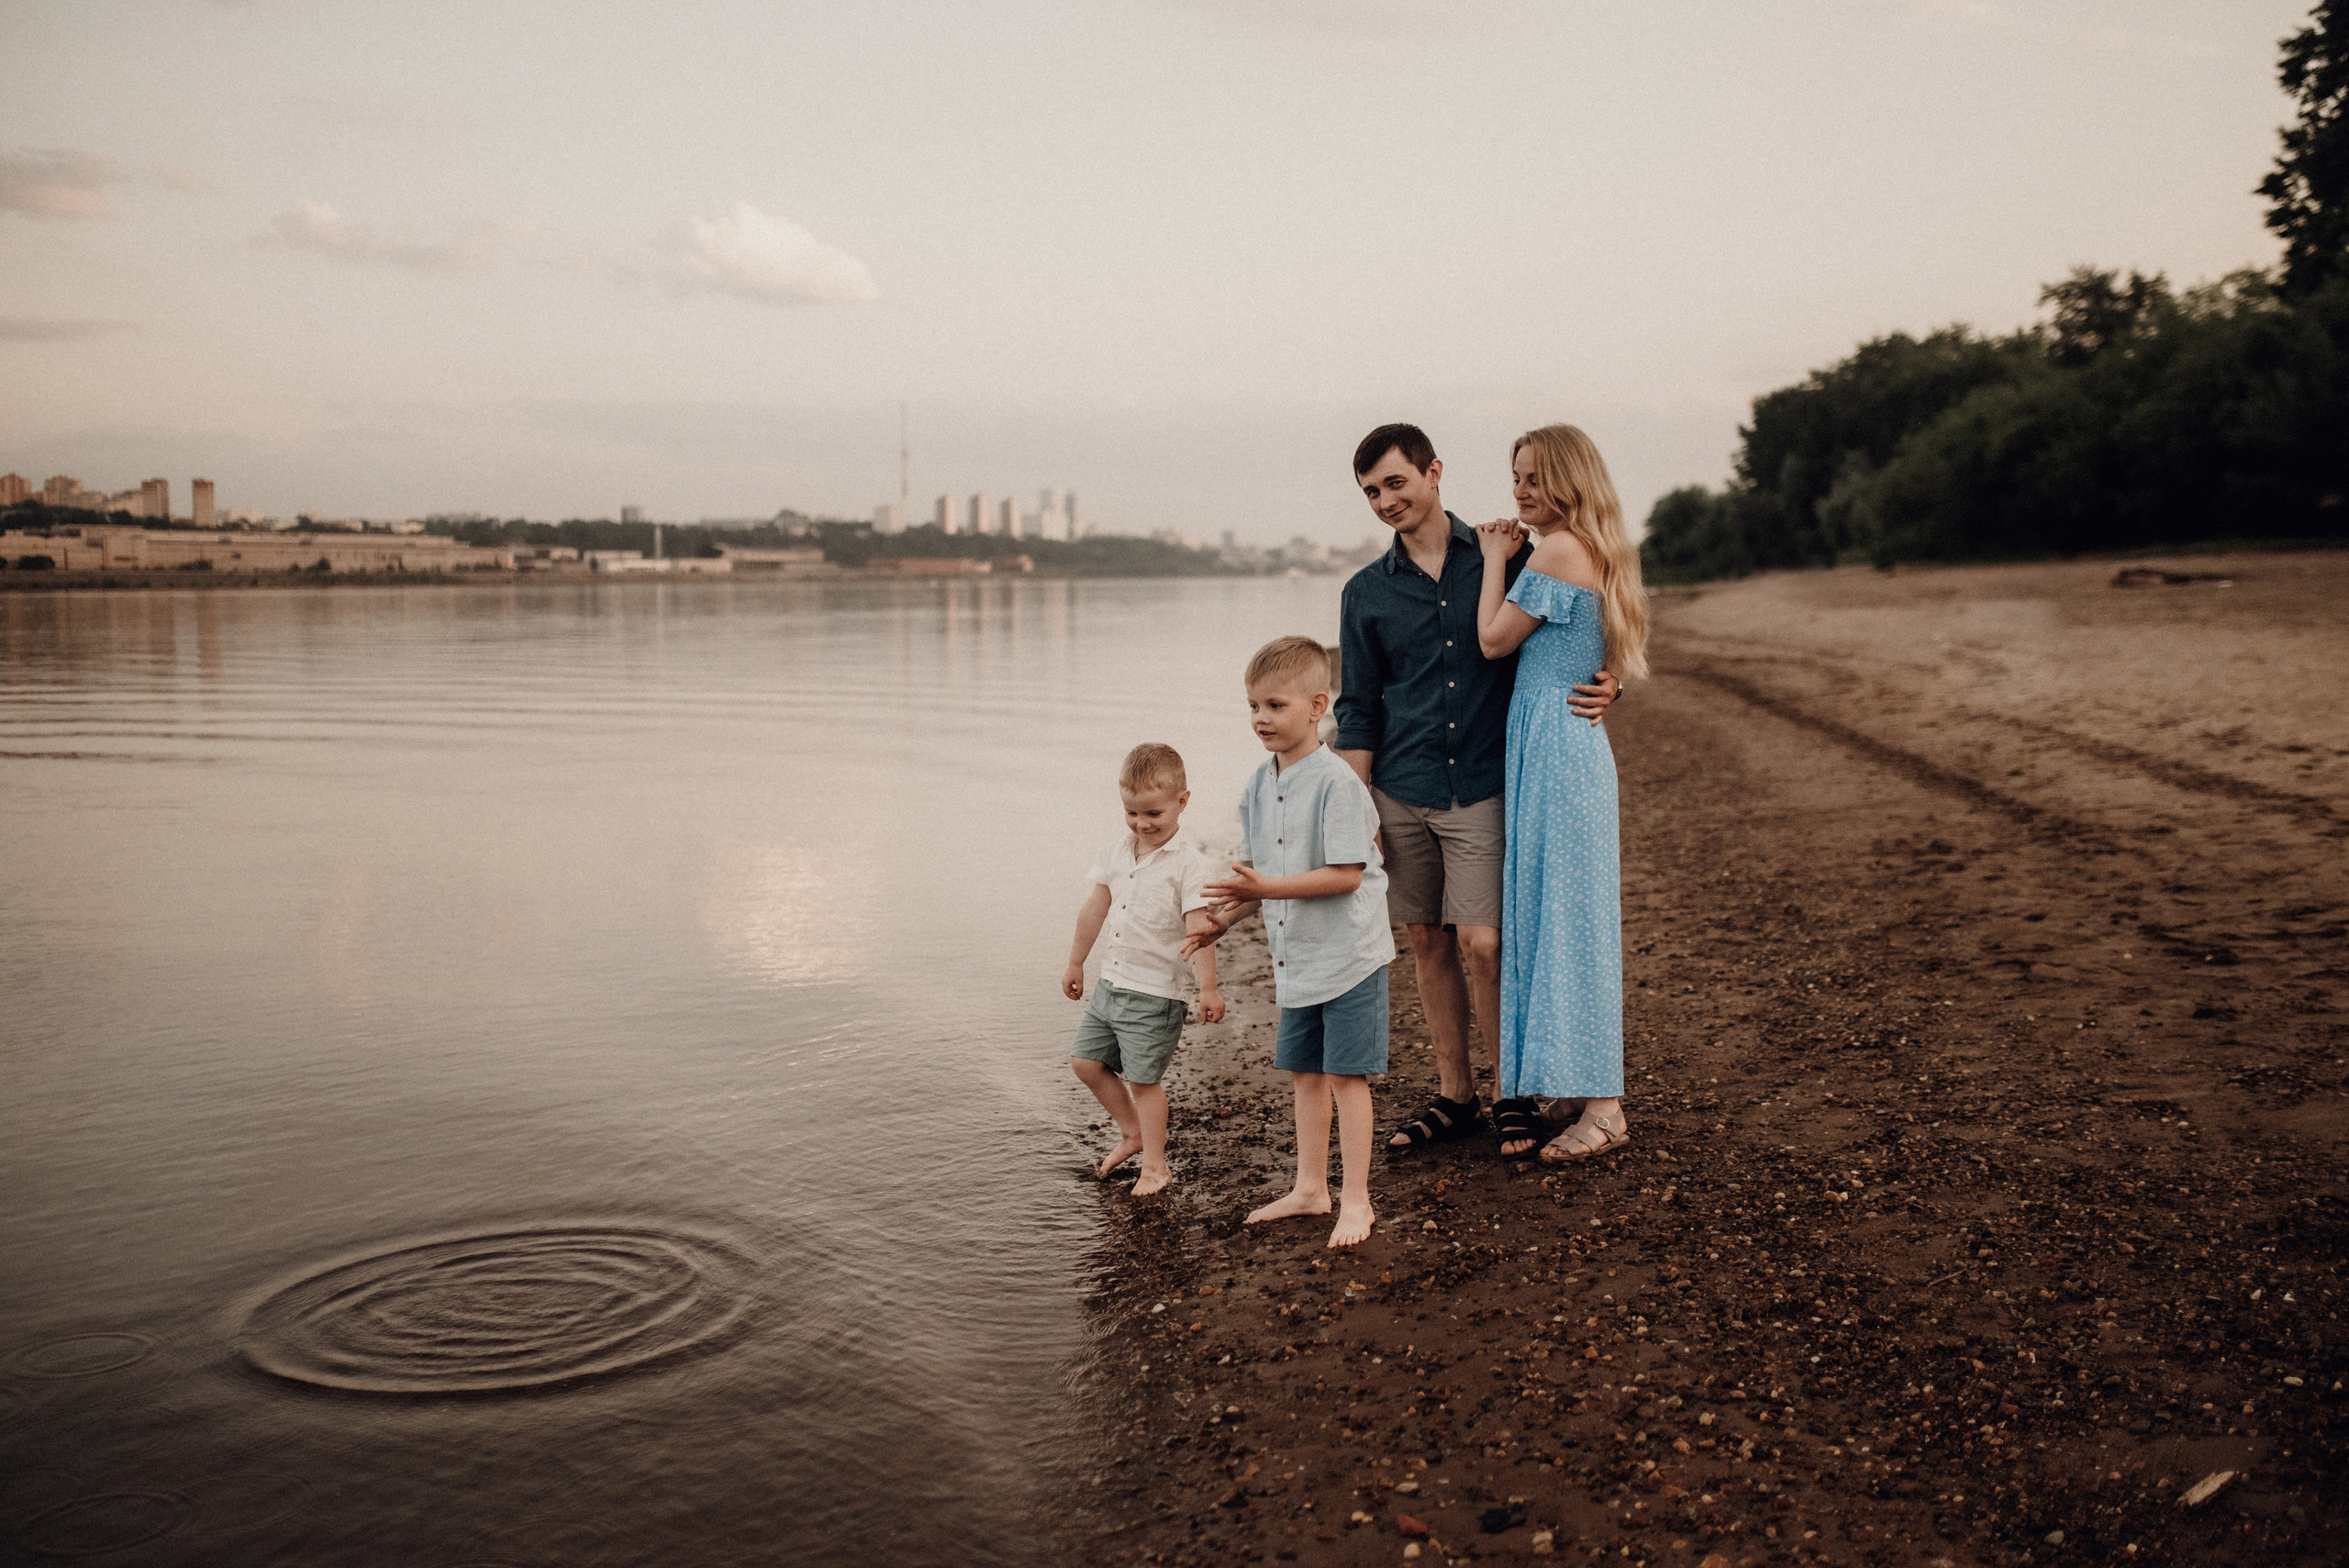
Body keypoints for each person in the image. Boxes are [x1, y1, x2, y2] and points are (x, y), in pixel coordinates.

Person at [1334, 423, 1619, 1160]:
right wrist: (1354, 803)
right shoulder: (1365, 592)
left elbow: (1588, 612)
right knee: (1426, 939)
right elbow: (1358, 705)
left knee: (1485, 942)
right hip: (1401, 783)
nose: (1386, 501)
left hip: (1490, 779)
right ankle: (1456, 1093)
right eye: (1371, 492)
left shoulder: (1514, 550)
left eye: (1397, 483)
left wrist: (1608, 678)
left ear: (1433, 472)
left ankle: (1511, 1092)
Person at [1473, 425, 1651, 1162]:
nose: (1520, 489)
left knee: (1569, 917)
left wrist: (1491, 559)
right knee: (1564, 912)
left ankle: (1604, 1108)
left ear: (1571, 482)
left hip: (1555, 745)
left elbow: (1492, 640)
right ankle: (1581, 1083)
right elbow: (1599, 654)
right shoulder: (1596, 547)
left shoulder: (1559, 548)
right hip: (1562, 744)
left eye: (1536, 478)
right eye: (1516, 475)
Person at [1186, 637, 1394, 1249]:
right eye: (1253, 705)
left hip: (1349, 954)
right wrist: (1220, 919)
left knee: (1345, 1075)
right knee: (1305, 1072)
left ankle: (1356, 1197)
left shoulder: (1336, 783)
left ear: (1316, 706)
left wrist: (1268, 887)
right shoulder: (1257, 784)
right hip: (1296, 955)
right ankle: (1310, 1186)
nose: (1260, 718)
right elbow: (1253, 876)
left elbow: (1347, 873)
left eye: (1275, 704)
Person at [1063, 741, 1227, 1195]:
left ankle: (1156, 1165)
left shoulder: (1190, 864)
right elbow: (1094, 908)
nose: (1142, 824)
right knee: (1085, 1062)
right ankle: (1132, 1133)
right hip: (1111, 982)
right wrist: (1076, 960)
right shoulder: (1117, 851)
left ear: (1182, 801)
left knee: (1144, 1078)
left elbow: (1201, 930)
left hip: (1156, 992)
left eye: (1153, 813)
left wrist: (1208, 988)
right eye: (1132, 813)